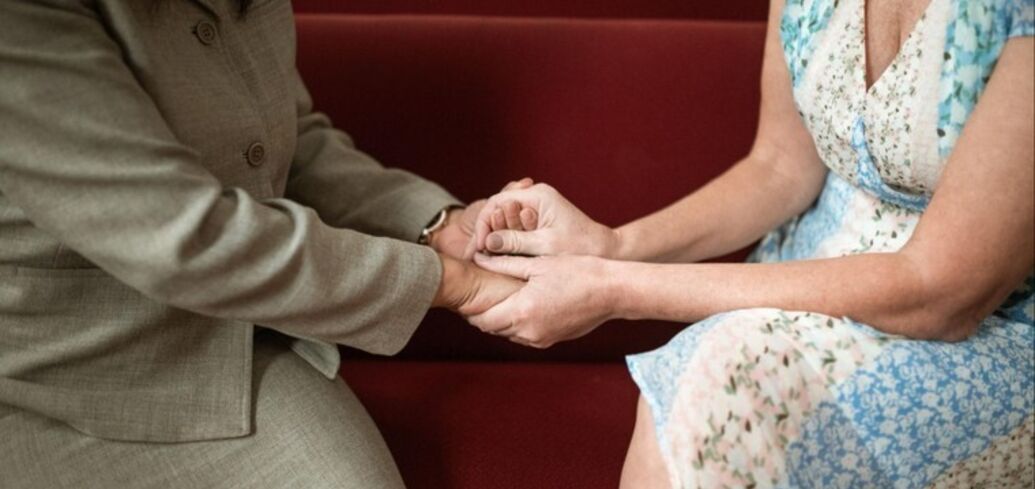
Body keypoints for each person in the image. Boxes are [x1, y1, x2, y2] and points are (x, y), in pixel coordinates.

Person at [468, 0, 1034, 487]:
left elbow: (940, 291)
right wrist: (610, 245)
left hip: (990, 329)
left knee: (724, 376)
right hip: (804, 270)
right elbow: (780, 168)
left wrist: (612, 287)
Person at [0, 1, 524, 487]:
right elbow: (183, 235)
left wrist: (439, 227)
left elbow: (286, 145)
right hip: (50, 376)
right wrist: (450, 283)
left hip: (233, 339)